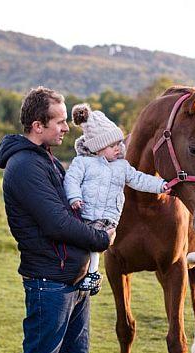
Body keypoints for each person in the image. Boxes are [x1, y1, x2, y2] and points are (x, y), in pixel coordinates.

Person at [0, 87, 115, 353]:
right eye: (60, 121)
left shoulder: (47, 160)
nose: (67, 127)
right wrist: (101, 238)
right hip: (48, 279)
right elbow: (56, 221)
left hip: (74, 278)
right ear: (38, 125)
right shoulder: (25, 167)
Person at [64, 103, 169, 294]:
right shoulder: (83, 163)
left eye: (119, 144)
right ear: (98, 148)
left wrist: (161, 185)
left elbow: (139, 180)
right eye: (112, 146)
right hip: (87, 214)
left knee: (98, 248)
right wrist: (74, 197)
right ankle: (87, 275)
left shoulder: (122, 166)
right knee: (87, 249)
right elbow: (71, 180)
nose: (119, 149)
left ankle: (92, 276)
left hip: (110, 218)